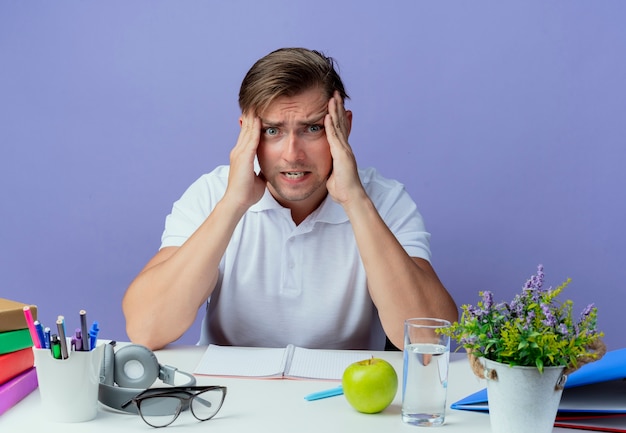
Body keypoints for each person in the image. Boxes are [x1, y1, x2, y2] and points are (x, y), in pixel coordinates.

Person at [122, 47, 457, 351]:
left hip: (346, 404)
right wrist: (232, 206)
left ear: (343, 127)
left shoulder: (384, 200)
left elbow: (432, 341)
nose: (292, 155)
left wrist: (355, 201)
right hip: (228, 400)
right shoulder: (212, 194)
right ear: (246, 133)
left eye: (312, 128)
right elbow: (146, 329)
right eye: (272, 131)